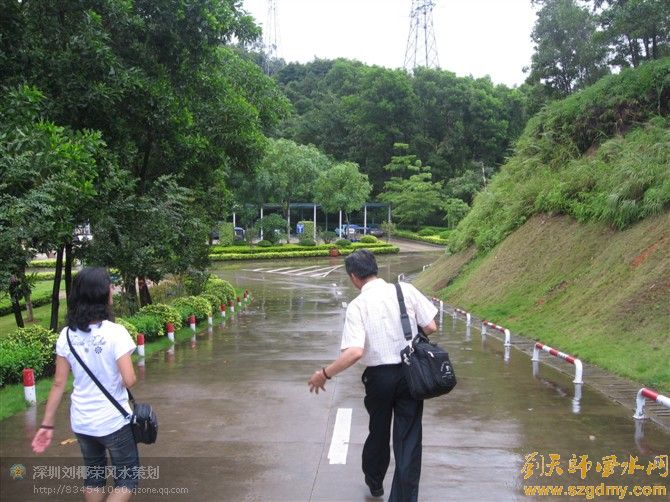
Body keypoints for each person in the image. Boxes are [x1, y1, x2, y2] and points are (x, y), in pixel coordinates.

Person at [308, 250, 438, 501]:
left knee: (378, 430)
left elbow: (355, 352)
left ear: (354, 277)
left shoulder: (359, 306)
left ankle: (374, 481)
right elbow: (431, 326)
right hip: (411, 374)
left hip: (379, 379)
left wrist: (324, 374)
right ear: (375, 269)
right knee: (408, 438)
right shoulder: (405, 290)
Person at [32, 267, 139, 501]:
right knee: (127, 478)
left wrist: (46, 425)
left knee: (94, 476)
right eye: (110, 285)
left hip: (82, 422)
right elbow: (130, 379)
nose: (112, 289)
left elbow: (58, 383)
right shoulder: (116, 333)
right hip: (113, 422)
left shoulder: (67, 335)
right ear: (101, 293)